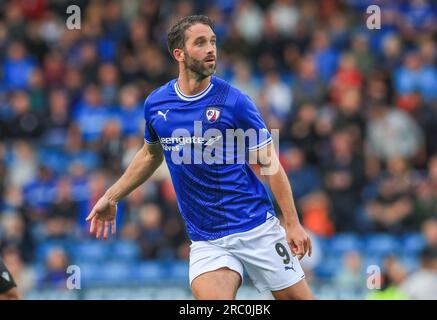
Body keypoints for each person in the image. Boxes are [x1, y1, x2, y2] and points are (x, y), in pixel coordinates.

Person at [86, 15, 314, 300]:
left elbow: (271, 163)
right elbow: (149, 154)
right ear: (179, 54)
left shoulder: (235, 101)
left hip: (256, 227)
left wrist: (292, 223)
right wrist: (112, 195)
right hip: (207, 239)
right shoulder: (157, 104)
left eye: (213, 42)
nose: (211, 49)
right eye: (201, 42)